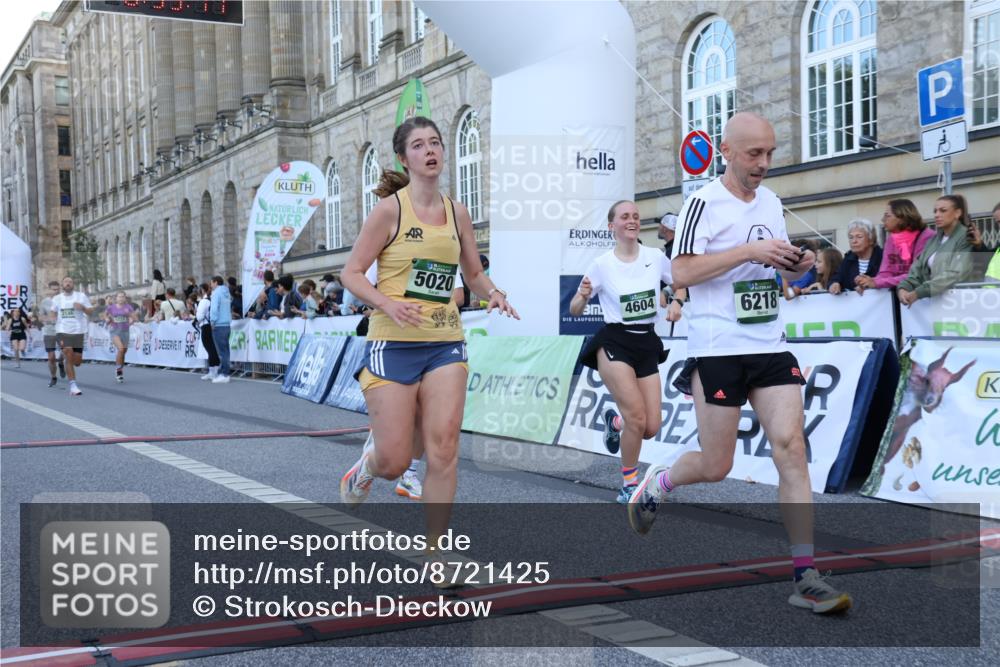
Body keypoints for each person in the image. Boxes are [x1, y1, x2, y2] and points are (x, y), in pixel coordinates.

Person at [628, 112, 852, 614]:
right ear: (726, 151)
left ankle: (805, 574)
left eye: (771, 153)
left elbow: (775, 273)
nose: (765, 164)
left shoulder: (772, 201)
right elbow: (681, 270)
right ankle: (659, 482)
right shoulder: (702, 203)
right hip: (718, 347)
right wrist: (749, 248)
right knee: (717, 464)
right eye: (755, 154)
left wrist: (794, 265)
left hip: (769, 343)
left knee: (791, 447)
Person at [338, 116, 518, 578]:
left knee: (443, 450)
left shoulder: (457, 212)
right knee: (397, 460)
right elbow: (352, 273)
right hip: (392, 345)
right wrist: (389, 305)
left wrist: (492, 292)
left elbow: (472, 274)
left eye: (435, 143)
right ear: (405, 158)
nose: (431, 150)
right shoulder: (389, 212)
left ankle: (435, 554)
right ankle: (365, 469)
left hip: (444, 343)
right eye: (419, 145)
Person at [569, 200, 684, 503]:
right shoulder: (602, 264)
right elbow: (575, 310)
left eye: (635, 215)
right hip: (614, 341)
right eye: (624, 217)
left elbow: (681, 282)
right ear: (612, 226)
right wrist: (581, 296)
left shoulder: (656, 257)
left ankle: (614, 423)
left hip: (646, 340)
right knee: (636, 416)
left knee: (650, 427)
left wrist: (676, 301)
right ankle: (629, 483)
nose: (632, 220)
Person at [897, 194, 976, 305]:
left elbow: (955, 273)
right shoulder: (933, 240)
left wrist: (919, 292)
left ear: (957, 213)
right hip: (934, 304)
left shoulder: (966, 238)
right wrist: (904, 288)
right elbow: (917, 268)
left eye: (943, 211)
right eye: (935, 211)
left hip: (960, 302)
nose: (937, 215)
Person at [865, 199, 935, 291]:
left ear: (902, 218)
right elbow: (885, 272)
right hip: (898, 294)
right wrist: (867, 282)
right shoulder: (891, 239)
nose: (883, 219)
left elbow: (916, 275)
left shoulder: (927, 237)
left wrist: (877, 283)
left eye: (887, 216)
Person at [51, 276, 94, 396]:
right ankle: (73, 386)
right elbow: (53, 312)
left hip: (78, 331)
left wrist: (83, 308)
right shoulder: (57, 298)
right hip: (62, 331)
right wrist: (53, 319)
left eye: (70, 281)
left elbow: (90, 311)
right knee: (68, 353)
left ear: (73, 284)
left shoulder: (81, 296)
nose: (68, 283)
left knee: (77, 362)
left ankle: (61, 362)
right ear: (62, 285)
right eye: (66, 281)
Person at [828, 219, 882, 295]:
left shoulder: (882, 257)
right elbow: (836, 277)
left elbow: (888, 280)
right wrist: (834, 284)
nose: (854, 241)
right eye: (851, 237)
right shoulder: (848, 259)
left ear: (871, 239)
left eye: (859, 237)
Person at [105, 290, 137, 382]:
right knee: (121, 349)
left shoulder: (128, 307)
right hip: (115, 331)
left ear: (125, 298)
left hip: (125, 332)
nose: (121, 298)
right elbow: (104, 315)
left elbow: (134, 318)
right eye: (119, 297)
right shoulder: (111, 307)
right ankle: (119, 371)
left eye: (123, 296)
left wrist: (131, 319)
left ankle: (120, 368)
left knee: (123, 352)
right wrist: (107, 319)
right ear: (116, 298)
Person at [39, 280, 66, 386]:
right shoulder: (44, 302)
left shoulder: (64, 300)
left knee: (65, 351)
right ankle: (53, 377)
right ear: (49, 290)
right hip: (49, 330)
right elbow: (40, 317)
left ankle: (60, 363)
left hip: (62, 330)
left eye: (57, 289)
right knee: (51, 357)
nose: (55, 291)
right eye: (53, 289)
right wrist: (49, 319)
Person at [210, 275, 232, 383]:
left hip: (219, 324)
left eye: (211, 283)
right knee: (225, 350)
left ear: (215, 282)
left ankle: (225, 374)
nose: (211, 285)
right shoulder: (227, 293)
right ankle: (223, 372)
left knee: (222, 351)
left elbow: (214, 308)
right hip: (227, 323)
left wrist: (212, 321)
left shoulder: (216, 293)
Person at [195, 283, 220, 380]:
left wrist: (197, 318)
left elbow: (200, 316)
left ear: (202, 290)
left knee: (210, 348)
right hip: (211, 325)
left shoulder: (203, 301)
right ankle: (212, 370)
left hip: (205, 325)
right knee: (211, 348)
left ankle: (214, 371)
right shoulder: (211, 300)